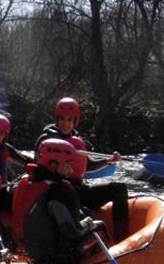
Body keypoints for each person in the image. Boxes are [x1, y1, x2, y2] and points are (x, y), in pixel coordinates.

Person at [35, 97, 130, 241]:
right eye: (62, 119)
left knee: (120, 189)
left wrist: (108, 160)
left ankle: (122, 239)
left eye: (69, 120)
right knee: (84, 212)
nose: (65, 124)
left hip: (80, 190)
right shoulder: (46, 140)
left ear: (75, 121)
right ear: (56, 119)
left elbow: (86, 166)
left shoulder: (77, 139)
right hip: (60, 194)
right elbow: (39, 167)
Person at [10, 139, 102, 264]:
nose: (71, 170)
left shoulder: (25, 181)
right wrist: (88, 224)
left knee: (85, 211)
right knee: (99, 225)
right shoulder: (59, 191)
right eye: (68, 165)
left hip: (33, 255)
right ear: (53, 165)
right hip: (59, 262)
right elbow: (71, 231)